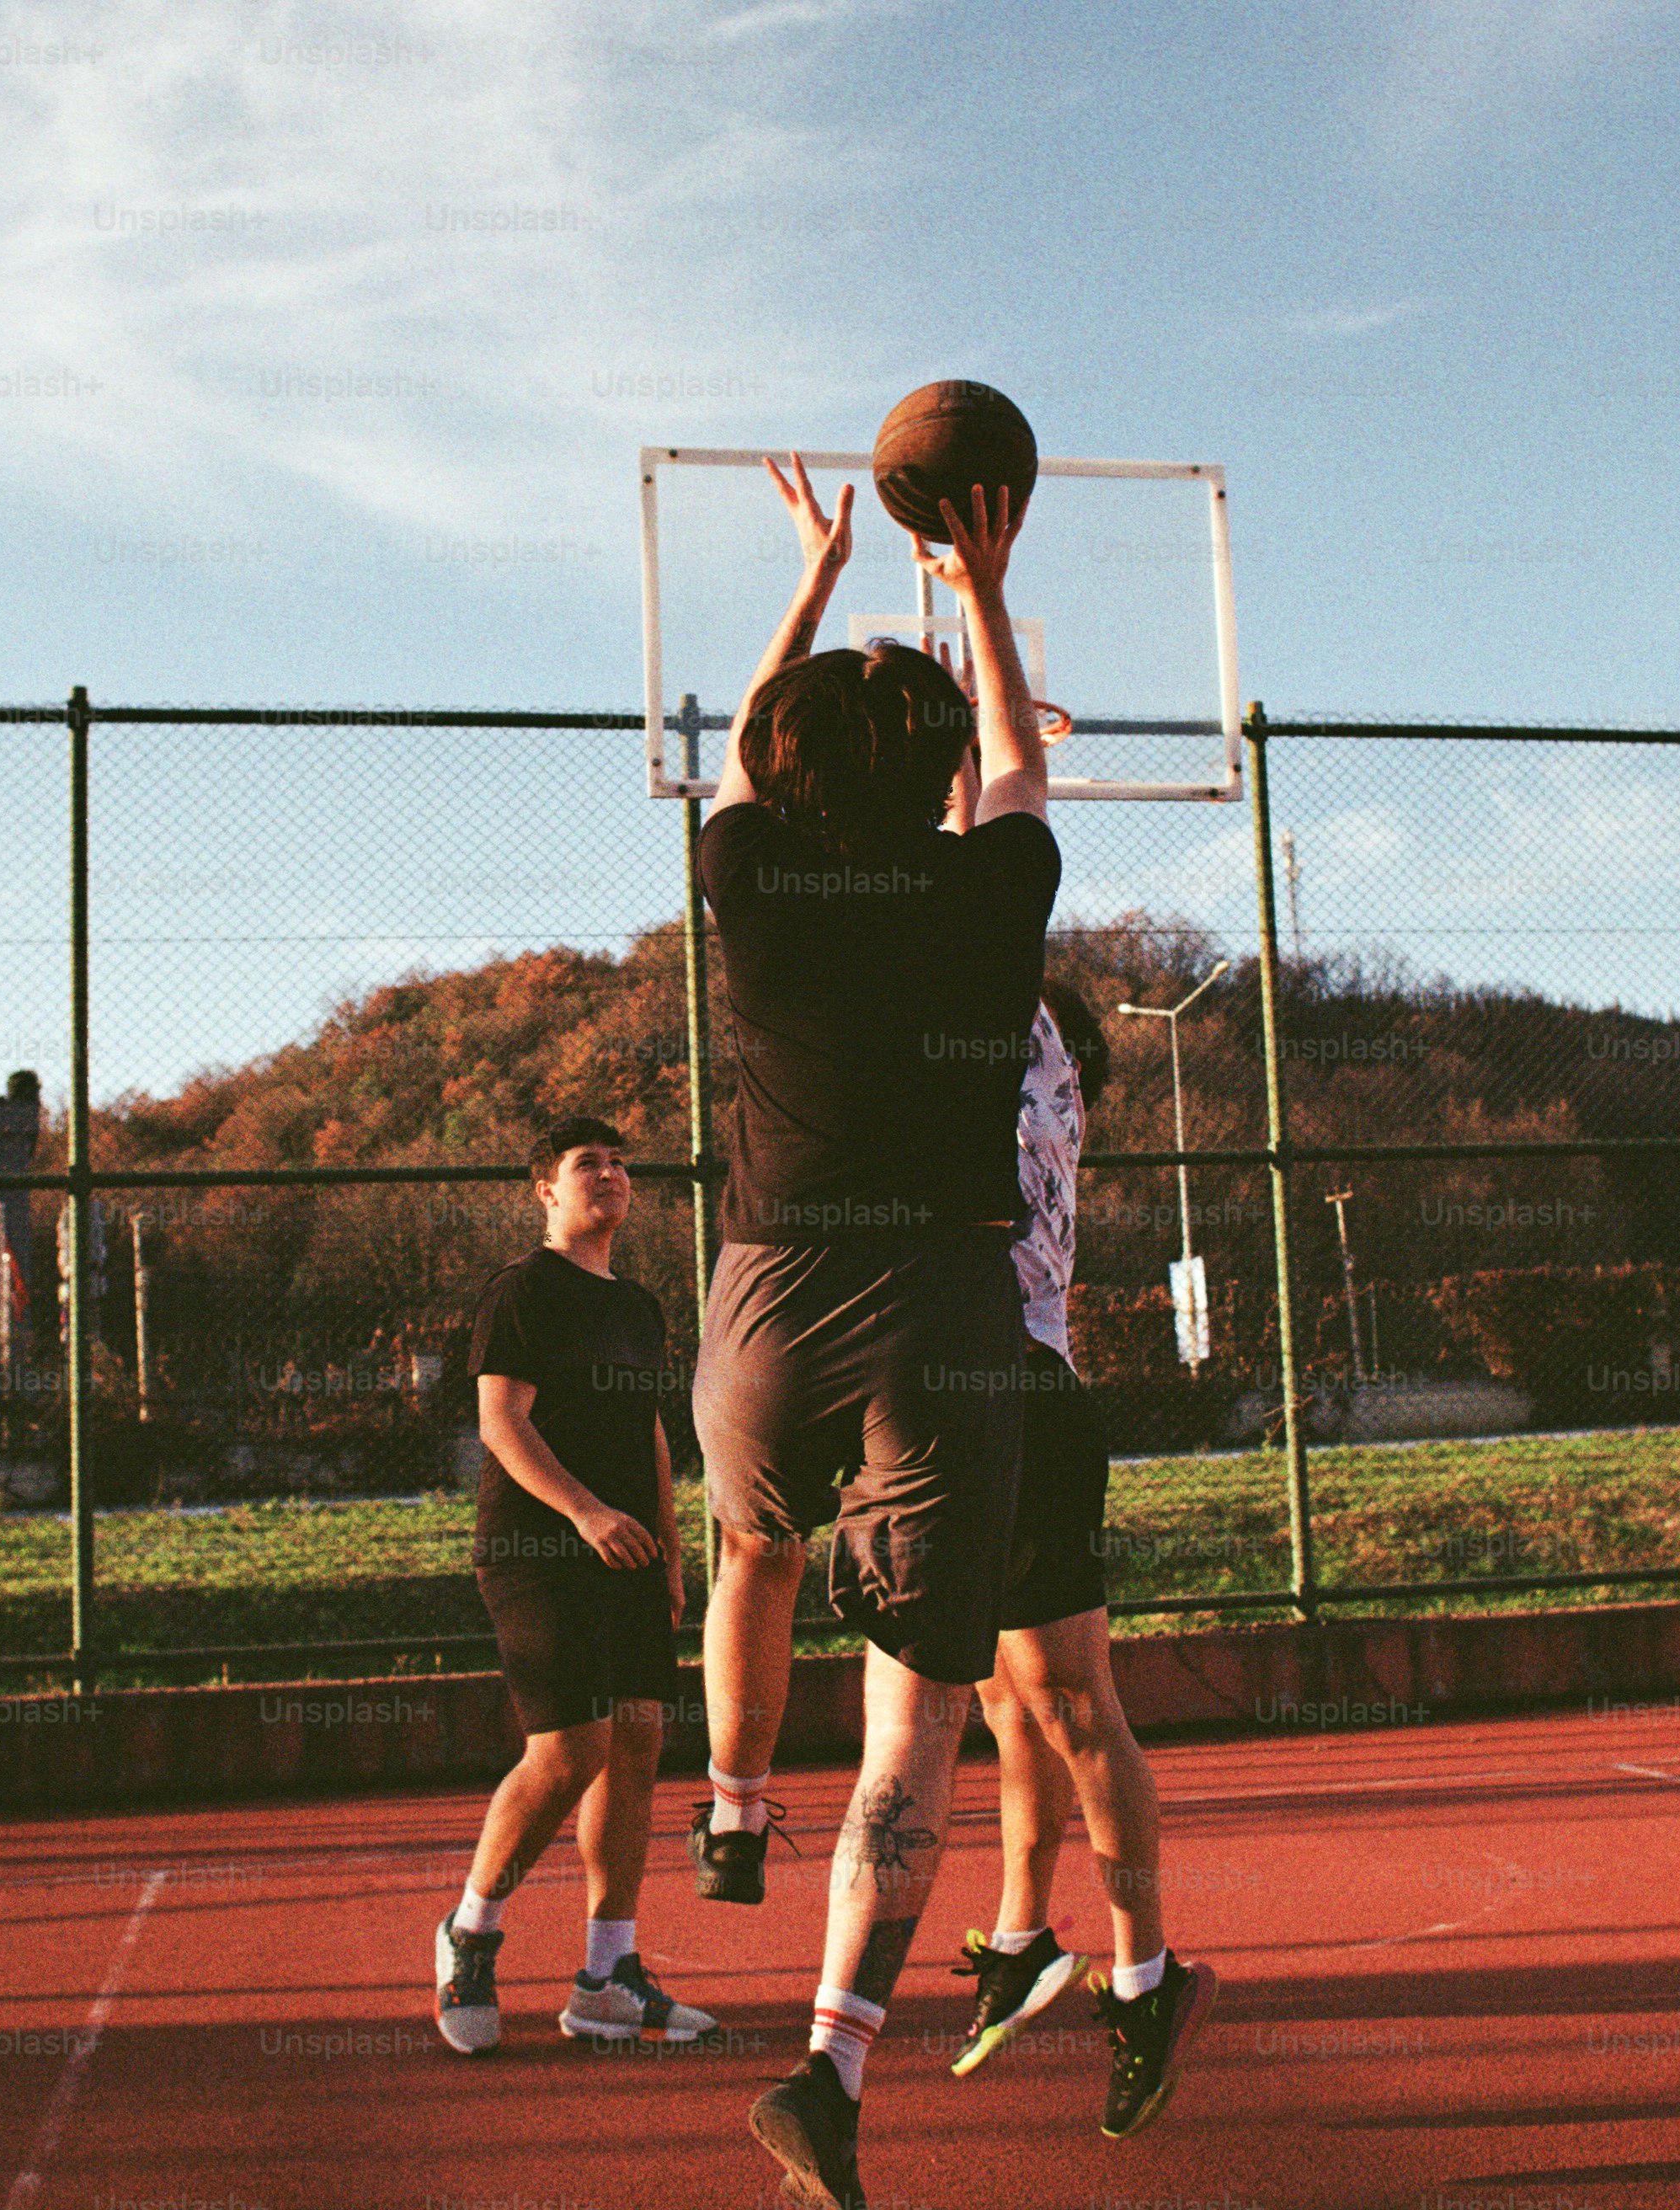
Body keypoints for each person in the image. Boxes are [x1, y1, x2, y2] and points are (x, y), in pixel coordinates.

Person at [686, 459, 1056, 2210]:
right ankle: (830, 2061)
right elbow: (1020, 769)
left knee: (749, 1544)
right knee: (917, 1727)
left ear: (784, 773)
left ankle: (733, 1797)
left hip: (761, 1303)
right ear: (942, 784)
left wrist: (819, 579)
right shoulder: (989, 900)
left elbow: (744, 751)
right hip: (939, 1306)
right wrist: (975, 584)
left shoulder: (752, 887)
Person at [947, 974, 1219, 2137]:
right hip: (950, 1406)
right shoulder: (965, 1075)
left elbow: (993, 856)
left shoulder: (1029, 1071)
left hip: (1020, 1396)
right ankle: (1019, 1937)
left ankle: (1148, 1981)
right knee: (1006, 1703)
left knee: (1069, 1700)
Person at [432, 1117, 713, 2055]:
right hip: (538, 1550)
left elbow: (652, 1431)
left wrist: (671, 1543)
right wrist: (586, 1513)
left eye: (621, 1161)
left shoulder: (639, 1305)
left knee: (635, 1740)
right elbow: (503, 1423)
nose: (611, 1173)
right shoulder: (522, 1290)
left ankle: (607, 1977)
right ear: (545, 1189)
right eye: (587, 1162)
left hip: (631, 1552)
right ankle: (470, 1932)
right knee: (569, 1748)